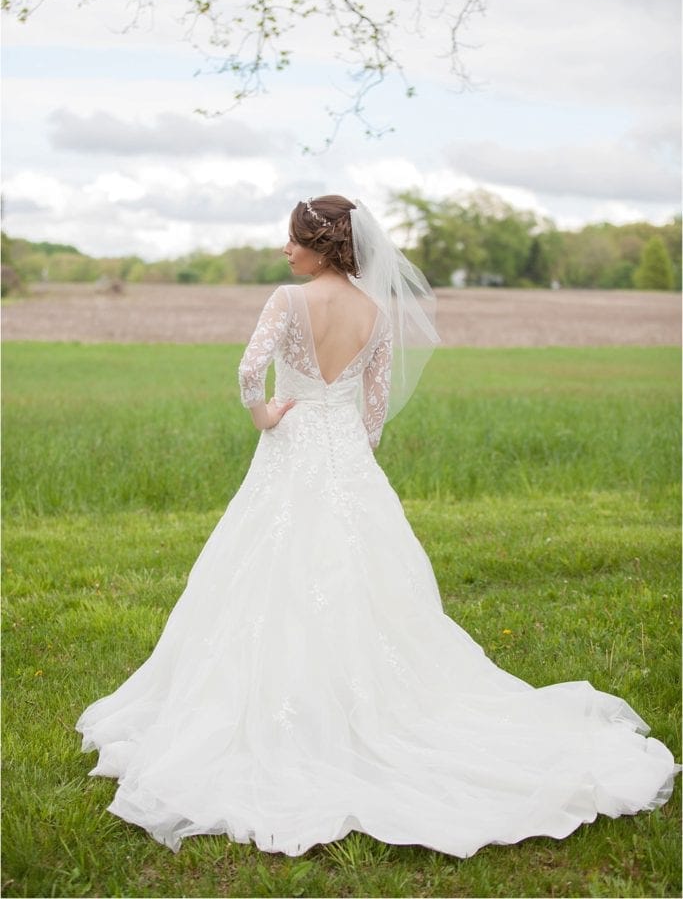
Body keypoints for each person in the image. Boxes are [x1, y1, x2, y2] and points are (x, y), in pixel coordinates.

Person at [76, 194, 678, 858]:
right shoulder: (375, 313)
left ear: (320, 246)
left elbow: (250, 371)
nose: (285, 251)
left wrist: (267, 416)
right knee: (361, 576)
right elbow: (374, 408)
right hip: (347, 458)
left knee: (269, 567)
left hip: (294, 441)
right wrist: (351, 452)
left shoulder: (287, 300)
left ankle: (285, 711)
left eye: (293, 240)